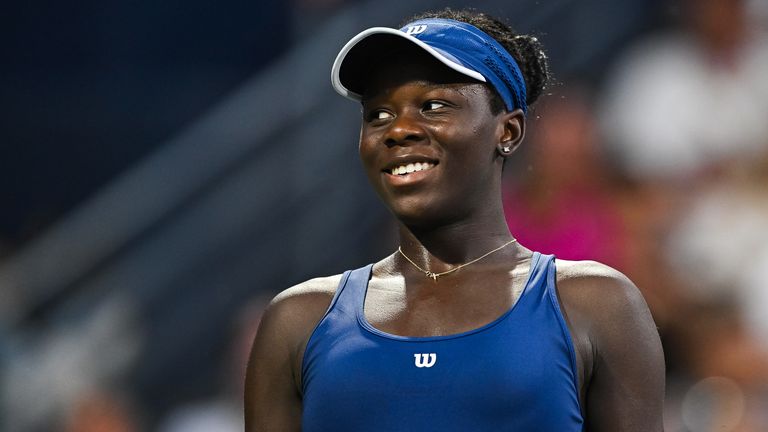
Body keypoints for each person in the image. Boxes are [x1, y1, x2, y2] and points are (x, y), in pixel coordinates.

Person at [245, 8, 664, 431]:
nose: (398, 130)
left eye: (433, 105)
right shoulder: (297, 321)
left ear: (509, 132)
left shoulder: (599, 305)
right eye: (379, 115)